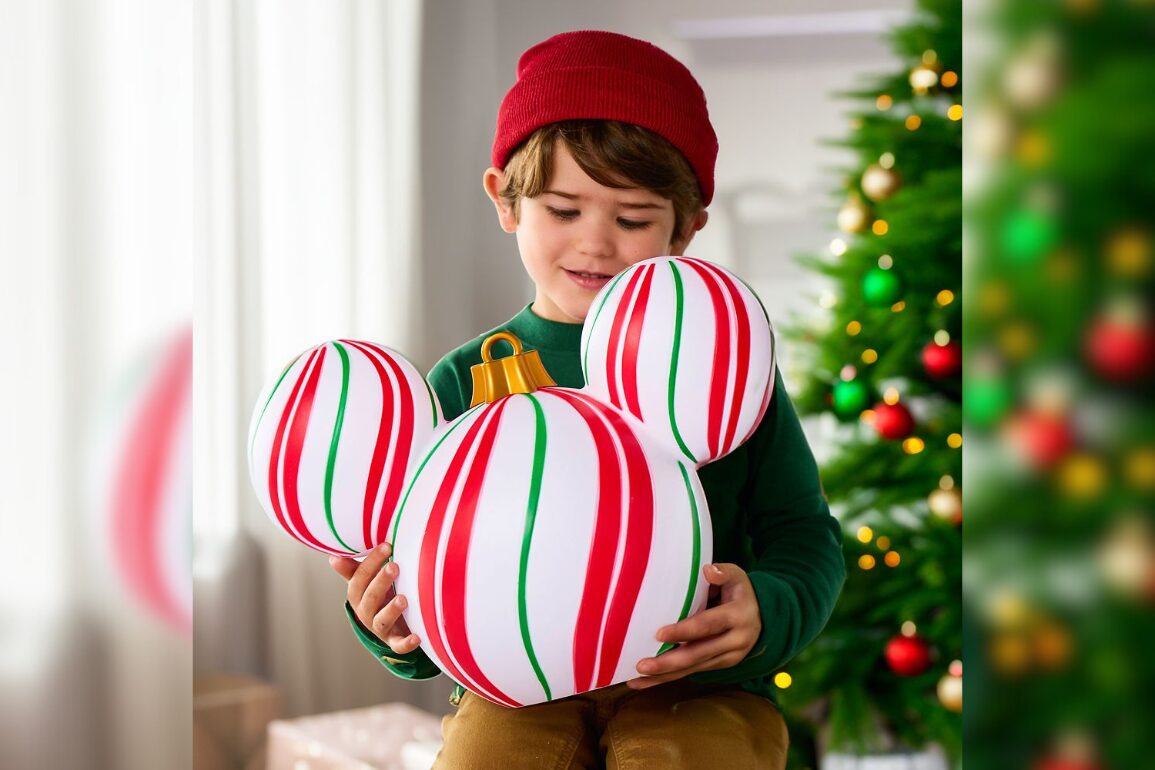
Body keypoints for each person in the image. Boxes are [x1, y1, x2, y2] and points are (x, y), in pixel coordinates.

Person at [330, 30, 845, 769]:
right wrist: (386, 625)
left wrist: (766, 610)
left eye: (631, 219)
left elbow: (804, 533)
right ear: (505, 201)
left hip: (694, 681)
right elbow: (410, 572)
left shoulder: (724, 368)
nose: (595, 245)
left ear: (686, 228)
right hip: (515, 690)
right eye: (562, 211)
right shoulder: (459, 379)